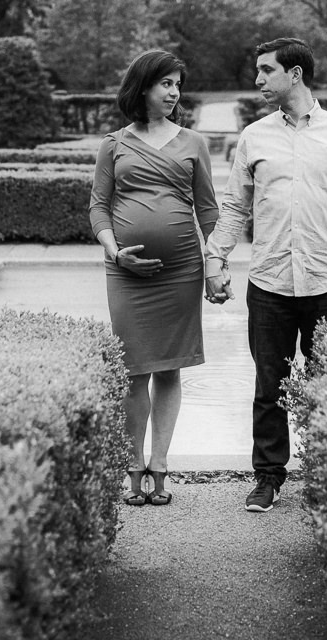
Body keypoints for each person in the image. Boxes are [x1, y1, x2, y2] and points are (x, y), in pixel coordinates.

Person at [204, 37, 327, 513]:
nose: (258, 80)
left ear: (295, 74)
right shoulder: (254, 136)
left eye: (266, 71)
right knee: (269, 385)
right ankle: (268, 476)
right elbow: (235, 207)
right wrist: (214, 258)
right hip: (270, 283)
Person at [90, 49, 219, 507]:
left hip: (181, 271)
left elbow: (208, 209)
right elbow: (98, 207)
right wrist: (115, 251)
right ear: (143, 86)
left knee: (168, 369)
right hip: (125, 274)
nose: (174, 92)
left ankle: (160, 465)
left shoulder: (193, 143)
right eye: (166, 83)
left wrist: (216, 266)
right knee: (131, 371)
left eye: (178, 85)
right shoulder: (114, 143)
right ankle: (132, 466)